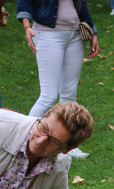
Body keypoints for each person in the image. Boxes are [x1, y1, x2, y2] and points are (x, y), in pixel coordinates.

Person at [17, 0, 99, 160]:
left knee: (70, 95)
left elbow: (81, 5)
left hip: (75, 35)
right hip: (47, 34)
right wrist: (27, 27)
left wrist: (92, 32)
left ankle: (68, 146)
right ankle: (21, 140)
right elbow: (24, 3)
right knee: (48, 96)